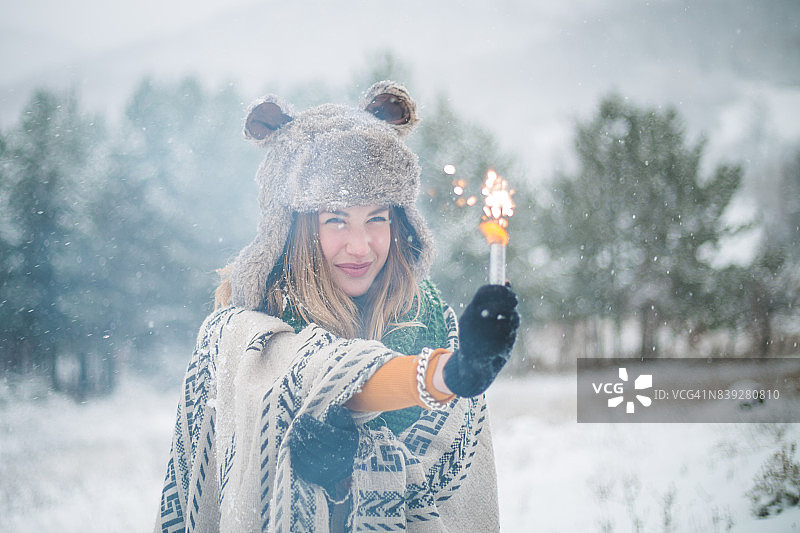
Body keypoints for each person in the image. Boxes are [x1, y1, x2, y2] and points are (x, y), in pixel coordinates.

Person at [154, 80, 519, 532]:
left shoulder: (431, 322)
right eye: (336, 220)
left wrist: (348, 483)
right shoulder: (247, 334)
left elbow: (455, 497)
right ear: (294, 228)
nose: (361, 245)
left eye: (377, 219)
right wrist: (448, 375)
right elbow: (331, 374)